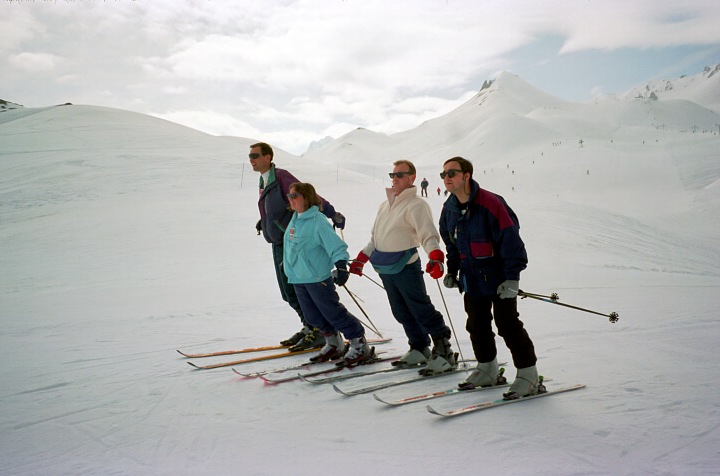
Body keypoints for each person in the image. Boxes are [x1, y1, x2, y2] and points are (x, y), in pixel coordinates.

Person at [438, 156, 539, 399]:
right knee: (476, 324)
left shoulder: (491, 203)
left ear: (466, 175)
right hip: (471, 279)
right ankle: (487, 369)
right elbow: (451, 244)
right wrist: (452, 270)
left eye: (452, 173)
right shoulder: (449, 209)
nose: (447, 178)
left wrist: (512, 278)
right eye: (443, 175)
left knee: (507, 325)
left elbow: (511, 241)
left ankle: (528, 375)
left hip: (500, 277)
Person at [349, 159, 456, 376]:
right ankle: (419, 347)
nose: (394, 179)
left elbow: (427, 234)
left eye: (400, 175)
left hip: (405, 266)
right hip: (385, 267)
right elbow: (376, 238)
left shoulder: (417, 205)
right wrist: (362, 257)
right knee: (400, 310)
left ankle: (444, 351)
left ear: (412, 178)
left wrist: (435, 257)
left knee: (419, 307)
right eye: (392, 175)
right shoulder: (385, 204)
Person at [249, 142, 346, 351]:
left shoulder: (281, 177)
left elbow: (309, 196)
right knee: (288, 291)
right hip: (278, 241)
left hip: (292, 240)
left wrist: (331, 213)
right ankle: (310, 326)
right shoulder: (264, 180)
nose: (251, 160)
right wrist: (264, 221)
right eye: (250, 156)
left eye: (255, 155)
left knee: (295, 288)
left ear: (268, 157)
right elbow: (275, 207)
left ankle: (317, 330)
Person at [283, 182, 374, 365]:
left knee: (332, 312)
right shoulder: (295, 219)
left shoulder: (318, 221)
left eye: (295, 196)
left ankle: (359, 343)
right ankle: (333, 343)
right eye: (289, 196)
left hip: (317, 278)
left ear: (306, 198)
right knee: (312, 316)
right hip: (299, 277)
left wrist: (341, 266)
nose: (290, 200)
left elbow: (336, 246)